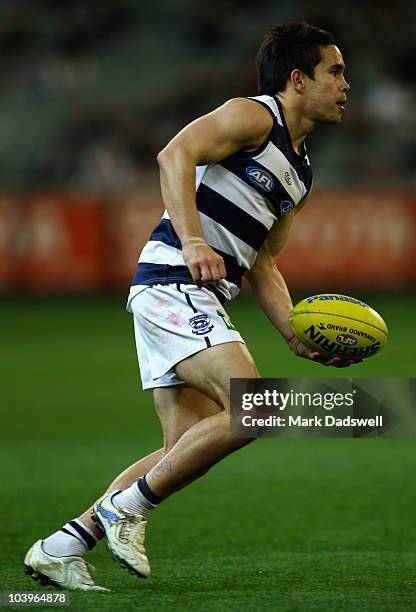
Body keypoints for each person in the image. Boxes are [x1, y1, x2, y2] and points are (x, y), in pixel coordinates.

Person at [24, 21, 351, 592]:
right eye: (336, 71)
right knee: (256, 409)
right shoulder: (255, 116)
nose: (347, 85)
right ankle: (127, 508)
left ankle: (63, 545)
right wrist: (194, 238)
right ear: (298, 80)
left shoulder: (300, 173)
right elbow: (174, 154)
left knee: (183, 448)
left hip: (195, 293)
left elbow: (266, 264)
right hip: (173, 280)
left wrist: (295, 335)